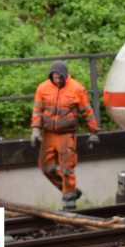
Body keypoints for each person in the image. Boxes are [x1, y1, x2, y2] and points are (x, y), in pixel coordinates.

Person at [31, 61, 98, 211]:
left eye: (60, 78)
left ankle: (69, 207)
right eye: (55, 78)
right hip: (48, 134)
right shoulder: (43, 88)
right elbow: (37, 110)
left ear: (65, 75)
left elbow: (87, 111)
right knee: (45, 167)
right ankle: (71, 191)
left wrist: (93, 131)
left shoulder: (77, 89)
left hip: (67, 135)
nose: (58, 81)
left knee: (67, 169)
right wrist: (35, 129)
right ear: (51, 76)